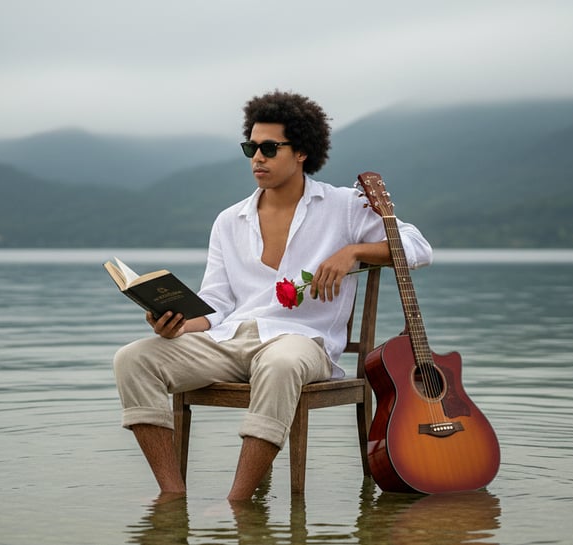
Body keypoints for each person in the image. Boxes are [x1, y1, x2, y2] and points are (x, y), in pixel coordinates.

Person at [113, 90, 432, 500]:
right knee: (133, 359)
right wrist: (176, 322)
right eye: (251, 147)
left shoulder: (343, 206)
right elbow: (217, 302)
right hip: (230, 339)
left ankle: (238, 502)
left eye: (268, 147)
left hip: (303, 343)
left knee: (280, 364)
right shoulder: (230, 221)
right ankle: (172, 496)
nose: (257, 158)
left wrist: (354, 251)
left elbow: (419, 248)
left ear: (301, 152)